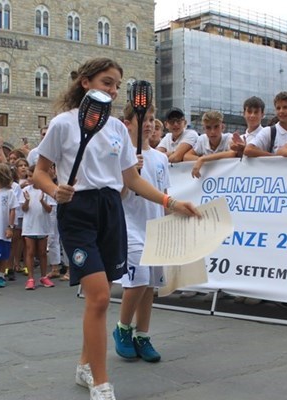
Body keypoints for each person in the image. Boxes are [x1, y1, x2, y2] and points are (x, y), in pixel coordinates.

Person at [32, 58, 199, 400]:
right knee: (101, 297)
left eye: (117, 85)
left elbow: (132, 179)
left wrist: (171, 202)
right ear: (85, 83)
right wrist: (54, 189)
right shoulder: (62, 124)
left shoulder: (118, 129)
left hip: (110, 211)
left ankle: (84, 364)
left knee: (98, 300)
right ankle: (101, 383)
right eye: (107, 82)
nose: (113, 89)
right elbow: (40, 172)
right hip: (77, 211)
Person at [112, 101, 169, 363]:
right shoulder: (122, 159)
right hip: (130, 226)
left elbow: (163, 194)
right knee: (139, 279)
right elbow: (120, 195)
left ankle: (142, 335)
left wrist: (171, 219)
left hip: (154, 227)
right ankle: (123, 328)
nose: (148, 124)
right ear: (128, 124)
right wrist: (131, 172)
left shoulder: (161, 158)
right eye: (142, 119)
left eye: (151, 119)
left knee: (149, 287)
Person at [21, 165, 57, 290]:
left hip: (43, 225)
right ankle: (30, 278)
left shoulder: (46, 190)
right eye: (28, 176)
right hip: (30, 226)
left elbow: (49, 209)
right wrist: (26, 201)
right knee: (30, 251)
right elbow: (24, 209)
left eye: (31, 176)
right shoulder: (25, 190)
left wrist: (42, 201)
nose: (29, 178)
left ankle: (43, 276)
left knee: (42, 252)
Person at [245, 91, 287, 157]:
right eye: (278, 108)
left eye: (285, 107)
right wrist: (275, 158)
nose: (281, 111)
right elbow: (249, 150)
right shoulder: (269, 131)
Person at [187, 111, 236, 178]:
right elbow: (187, 156)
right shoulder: (202, 139)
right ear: (204, 129)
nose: (212, 132)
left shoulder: (229, 138)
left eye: (216, 127)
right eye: (208, 128)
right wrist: (200, 159)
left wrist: (203, 159)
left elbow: (232, 153)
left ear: (222, 127)